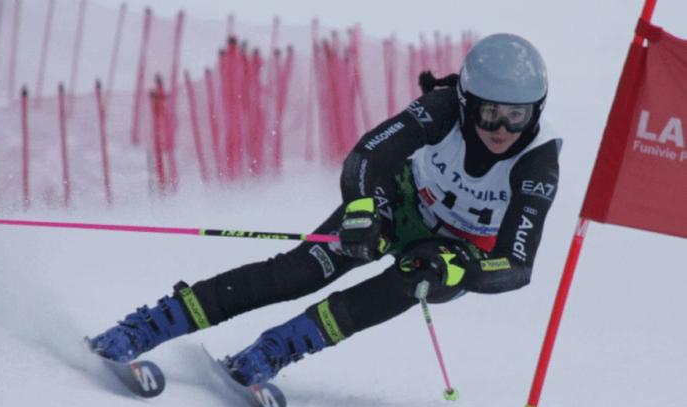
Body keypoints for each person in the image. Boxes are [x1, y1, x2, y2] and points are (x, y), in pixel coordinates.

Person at [90, 33, 561, 387]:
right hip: (400, 202)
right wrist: (364, 211)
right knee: (299, 271)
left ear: (534, 112)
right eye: (490, 112)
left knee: (402, 282)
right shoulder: (440, 110)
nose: (501, 128)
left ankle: (274, 350)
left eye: (516, 115)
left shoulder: (537, 162)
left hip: (453, 251)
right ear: (467, 102)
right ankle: (155, 323)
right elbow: (369, 156)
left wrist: (459, 271)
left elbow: (517, 265)